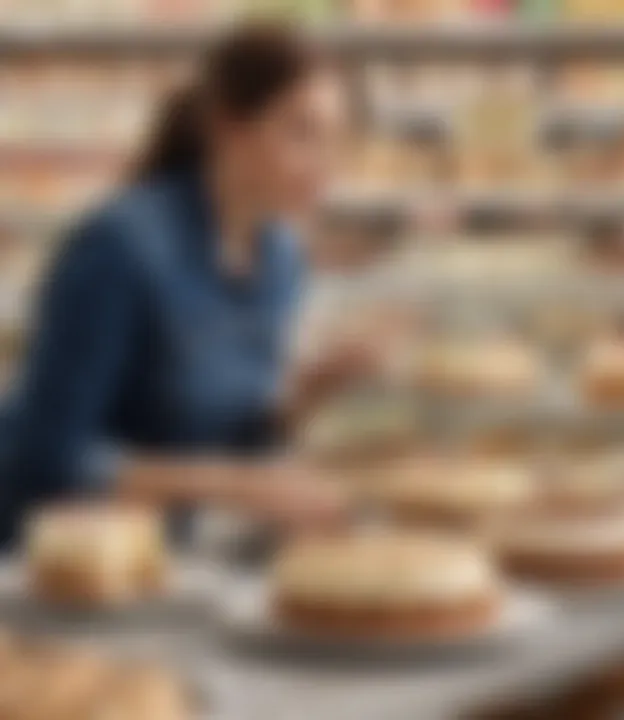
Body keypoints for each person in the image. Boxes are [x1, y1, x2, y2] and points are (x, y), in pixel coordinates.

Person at [0, 24, 374, 545]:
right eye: (301, 133)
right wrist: (237, 487)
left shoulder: (279, 259)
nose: (325, 164)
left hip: (161, 558)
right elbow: (46, 459)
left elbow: (220, 439)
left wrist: (309, 392)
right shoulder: (121, 248)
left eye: (337, 138)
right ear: (227, 127)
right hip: (48, 565)